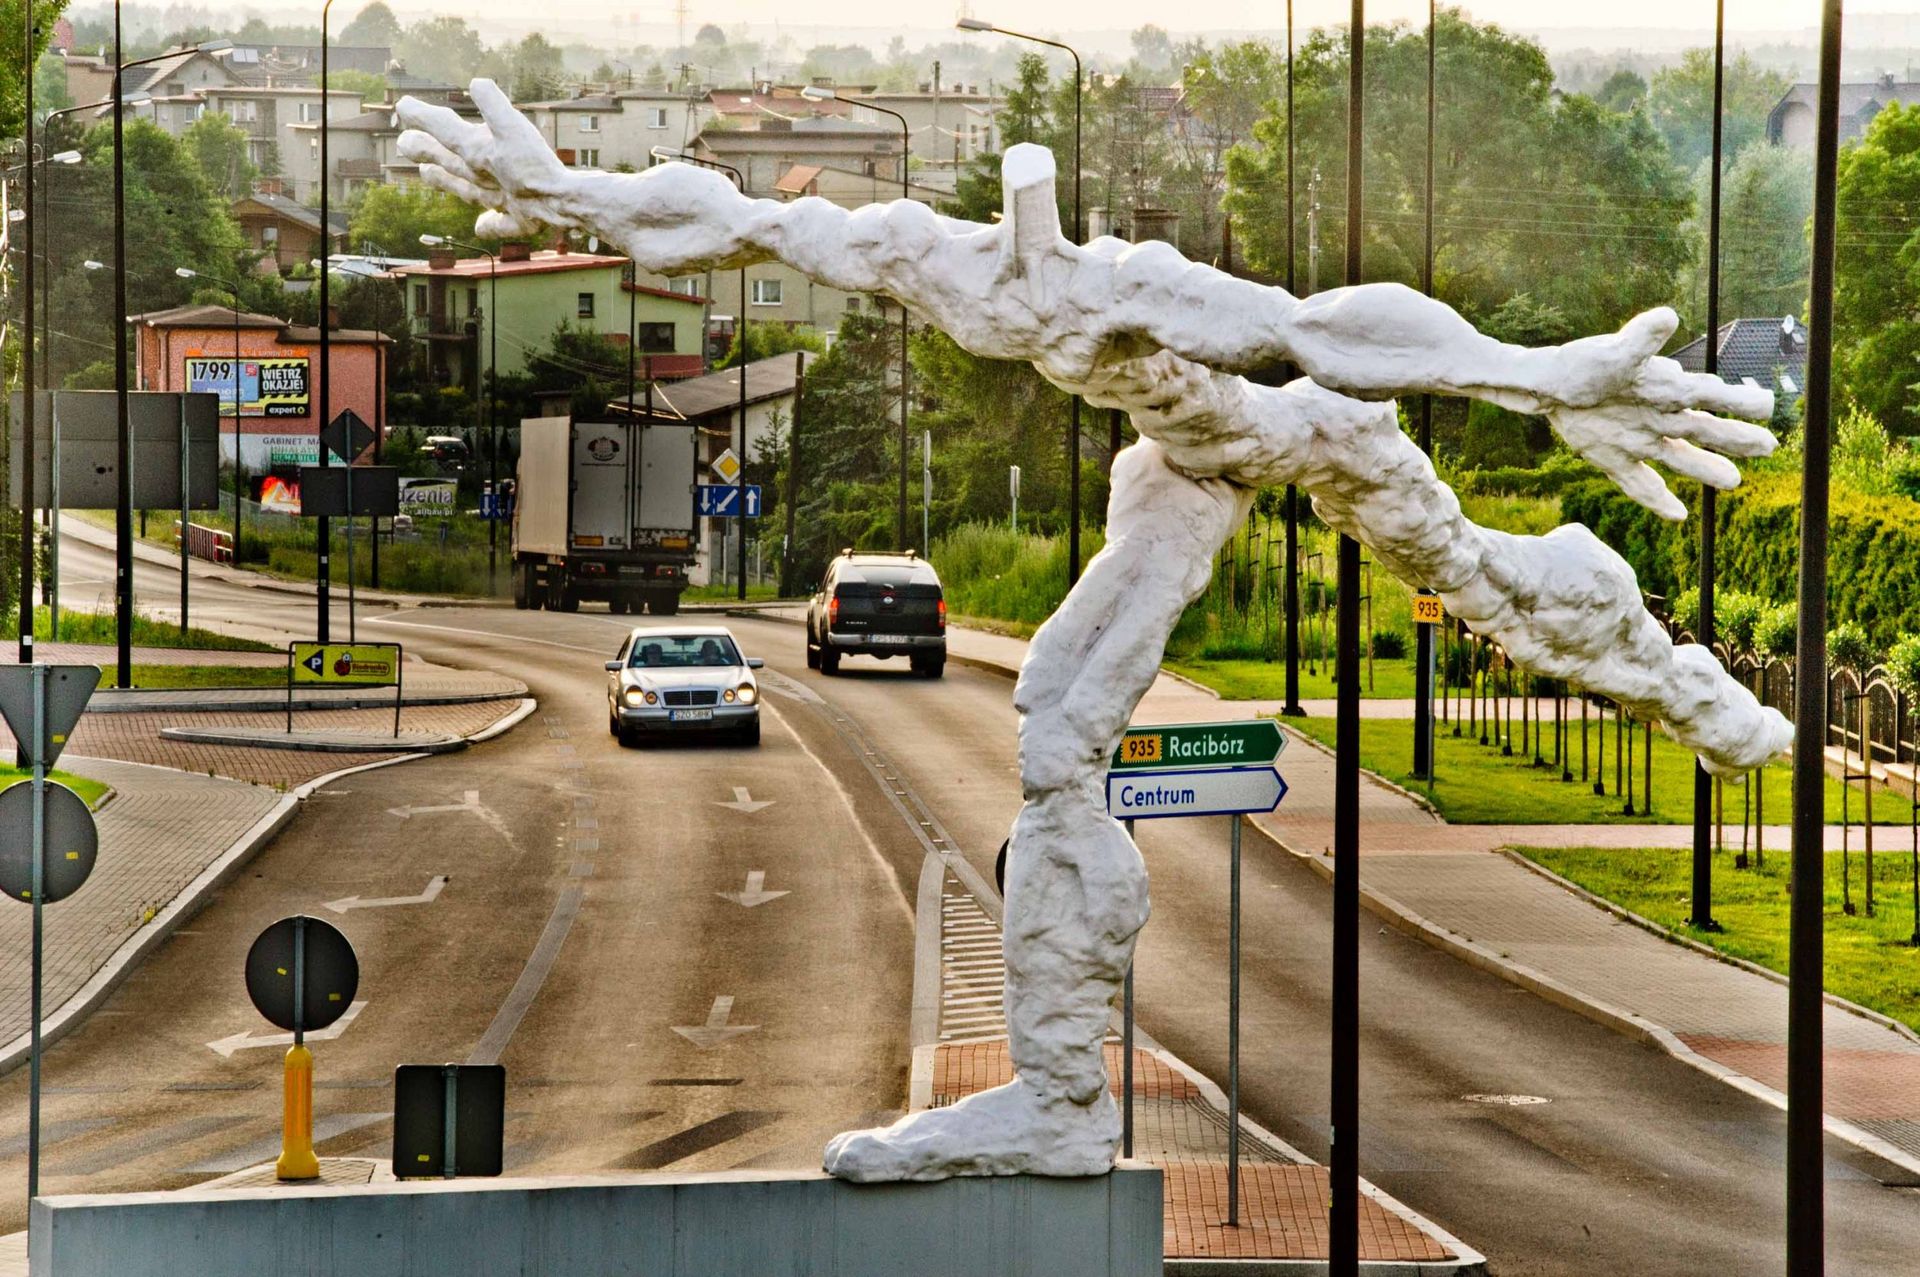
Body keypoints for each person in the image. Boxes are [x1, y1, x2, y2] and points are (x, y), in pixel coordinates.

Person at [395, 82, 1789, 1182]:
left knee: (1480, 576)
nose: (1026, 308)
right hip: (1184, 471)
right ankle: (1060, 1099)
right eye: (1015, 280)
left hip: (1318, 437)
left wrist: (1537, 375)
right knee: (1057, 727)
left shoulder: (1132, 285)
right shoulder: (946, 266)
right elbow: (738, 219)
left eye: (1041, 276)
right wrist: (563, 191)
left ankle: (1688, 691)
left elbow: (1328, 332)